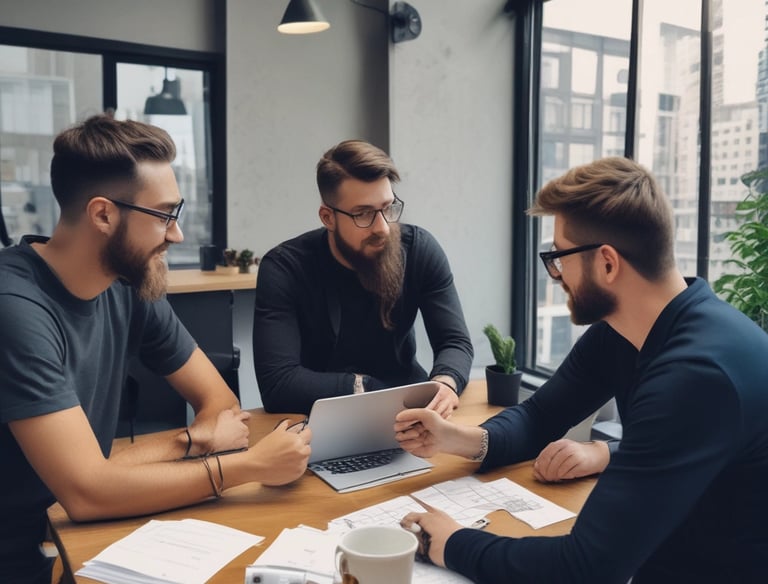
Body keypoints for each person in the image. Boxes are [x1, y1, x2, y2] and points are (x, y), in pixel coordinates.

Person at [395, 157, 768, 583]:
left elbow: (587, 567)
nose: (556, 275)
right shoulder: (629, 330)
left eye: (559, 257)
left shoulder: (697, 375)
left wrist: (451, 543)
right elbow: (541, 415)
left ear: (607, 263)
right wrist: (455, 439)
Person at [0, 114, 311, 583]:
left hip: (71, 529)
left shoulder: (127, 284)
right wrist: (245, 465)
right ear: (103, 215)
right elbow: (87, 493)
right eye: (164, 215)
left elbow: (220, 405)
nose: (177, 234)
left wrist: (183, 444)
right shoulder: (16, 308)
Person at [253, 140, 473, 417]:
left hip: (409, 413)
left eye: (388, 207)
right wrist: (365, 387)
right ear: (327, 217)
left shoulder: (418, 250)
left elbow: (455, 342)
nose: (382, 227)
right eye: (363, 214)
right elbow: (278, 384)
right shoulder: (285, 267)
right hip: (320, 417)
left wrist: (446, 384)